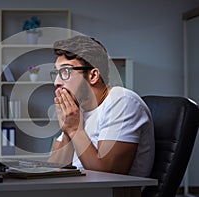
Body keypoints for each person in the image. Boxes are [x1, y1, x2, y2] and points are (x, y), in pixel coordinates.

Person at [48, 35, 155, 177]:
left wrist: (74, 130)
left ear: (93, 76)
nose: (56, 82)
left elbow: (106, 176)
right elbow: (53, 170)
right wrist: (67, 130)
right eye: (56, 73)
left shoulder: (122, 101)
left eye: (65, 72)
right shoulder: (76, 112)